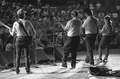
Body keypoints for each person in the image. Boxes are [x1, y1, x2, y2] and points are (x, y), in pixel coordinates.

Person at [9, 8, 36, 74]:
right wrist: (31, 38)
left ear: (18, 15)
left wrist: (10, 31)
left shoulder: (15, 23)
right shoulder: (28, 22)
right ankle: (27, 70)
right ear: (24, 15)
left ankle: (17, 70)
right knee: (26, 55)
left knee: (18, 56)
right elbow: (33, 32)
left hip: (18, 39)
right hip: (26, 39)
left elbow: (13, 34)